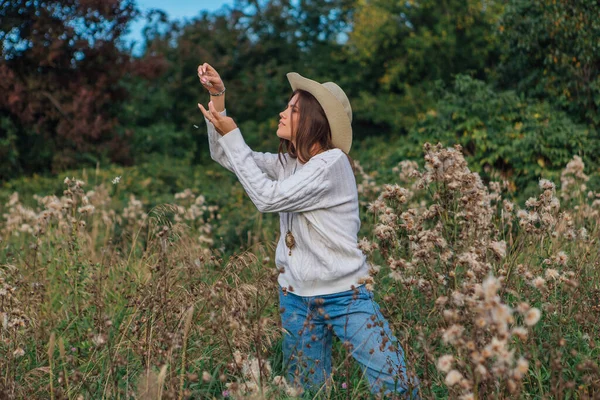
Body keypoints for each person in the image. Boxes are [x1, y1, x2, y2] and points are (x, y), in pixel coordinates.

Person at [197, 63, 420, 398]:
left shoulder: (331, 164)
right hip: (295, 296)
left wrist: (232, 132)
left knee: (394, 384)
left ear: (316, 122)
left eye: (294, 109)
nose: (282, 113)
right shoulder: (290, 163)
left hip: (346, 294)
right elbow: (227, 156)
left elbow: (266, 198)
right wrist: (218, 98)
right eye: (287, 106)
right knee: (308, 391)